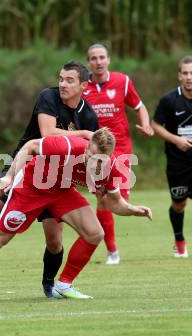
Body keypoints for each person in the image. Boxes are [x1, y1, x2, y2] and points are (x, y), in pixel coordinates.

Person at [0, 128, 152, 304]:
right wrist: (9, 177)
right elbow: (30, 147)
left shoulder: (111, 169)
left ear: (109, 158)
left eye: (98, 159)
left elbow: (114, 204)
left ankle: (64, 285)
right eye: (89, 154)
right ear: (87, 147)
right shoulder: (68, 146)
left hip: (62, 192)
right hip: (32, 187)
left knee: (95, 234)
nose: (90, 160)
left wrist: (134, 210)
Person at [0, 61, 98, 298]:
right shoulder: (49, 96)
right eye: (61, 78)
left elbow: (90, 155)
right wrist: (83, 134)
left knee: (54, 240)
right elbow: (48, 133)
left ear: (84, 85)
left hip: (54, 180)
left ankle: (49, 284)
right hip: (22, 164)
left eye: (69, 80)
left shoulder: (89, 115)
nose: (62, 84)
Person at [80, 43, 154, 264]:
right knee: (103, 200)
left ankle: (109, 247)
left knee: (118, 199)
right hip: (95, 154)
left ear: (109, 59)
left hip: (121, 150)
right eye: (93, 58)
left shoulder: (122, 81)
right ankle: (112, 251)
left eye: (102, 57)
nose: (98, 62)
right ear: (88, 62)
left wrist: (146, 125)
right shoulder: (83, 88)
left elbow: (139, 106)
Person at [151, 55, 192, 258]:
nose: (189, 77)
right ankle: (179, 241)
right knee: (179, 204)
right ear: (179, 75)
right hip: (178, 163)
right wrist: (176, 140)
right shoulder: (169, 100)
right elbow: (155, 125)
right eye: (185, 73)